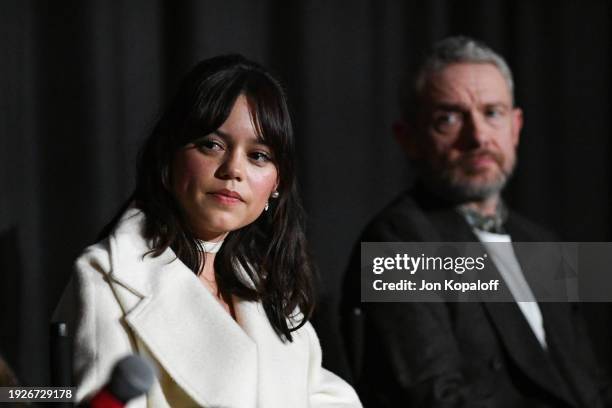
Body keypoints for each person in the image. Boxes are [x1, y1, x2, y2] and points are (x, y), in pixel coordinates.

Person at [54, 55, 361, 407]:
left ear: (278, 184)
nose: (234, 169)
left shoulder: (270, 289)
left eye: (259, 155)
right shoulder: (107, 276)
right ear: (169, 158)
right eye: (212, 145)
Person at [341, 37, 612, 407]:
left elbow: (588, 383)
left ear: (516, 127)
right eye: (448, 118)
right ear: (408, 139)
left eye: (493, 113)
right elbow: (435, 400)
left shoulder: (542, 243)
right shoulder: (395, 242)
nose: (478, 136)